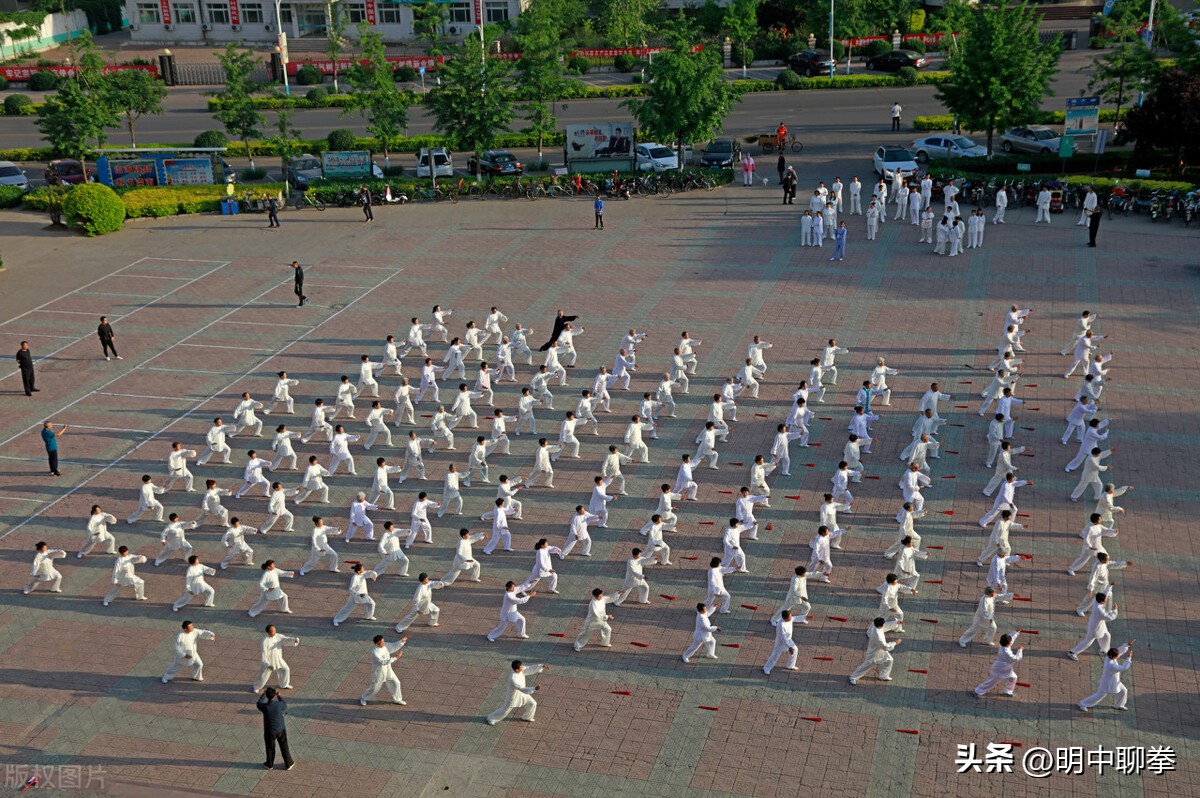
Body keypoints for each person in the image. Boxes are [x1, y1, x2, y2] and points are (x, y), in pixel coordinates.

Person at [487, 660, 548, 724]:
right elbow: (521, 688)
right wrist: (534, 688)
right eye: (521, 666)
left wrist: (541, 666)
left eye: (521, 665)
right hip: (514, 696)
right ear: (516, 670)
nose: (522, 667)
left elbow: (529, 668)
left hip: (523, 693)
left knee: (533, 704)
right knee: (505, 710)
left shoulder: (520, 670)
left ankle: (527, 717)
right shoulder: (513, 678)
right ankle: (491, 718)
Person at [1079, 642, 1134, 712]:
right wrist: (1129, 658)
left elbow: (1118, 651)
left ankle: (1119, 705)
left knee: (1124, 691)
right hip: (1106, 683)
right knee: (1098, 696)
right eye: (1117, 655)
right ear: (1114, 656)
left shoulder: (1109, 657)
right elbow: (1124, 668)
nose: (1118, 655)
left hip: (1114, 681)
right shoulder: (1111, 665)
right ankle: (1082, 703)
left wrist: (1127, 645)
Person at [849, 617, 901, 685]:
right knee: (867, 664)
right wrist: (895, 642)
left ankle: (883, 676)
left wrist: (895, 623)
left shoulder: (875, 627)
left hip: (880, 650)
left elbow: (885, 626)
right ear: (881, 625)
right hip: (874, 652)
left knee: (889, 660)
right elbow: (884, 646)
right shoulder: (878, 636)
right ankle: (853, 677)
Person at [361, 634, 408, 706]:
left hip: (388, 670)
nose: (383, 643)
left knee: (396, 683)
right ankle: (364, 698)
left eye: (383, 641)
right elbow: (383, 662)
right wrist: (396, 658)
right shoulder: (375, 652)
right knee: (374, 688)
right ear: (377, 643)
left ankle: (397, 699)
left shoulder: (385, 645)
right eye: (381, 642)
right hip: (379, 672)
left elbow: (393, 646)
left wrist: (402, 641)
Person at [973, 631, 1023, 697]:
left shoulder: (1003, 646)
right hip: (1000, 669)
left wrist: (1017, 632)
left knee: (1013, 677)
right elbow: (1016, 658)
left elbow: (1011, 638)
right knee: (991, 682)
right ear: (1008, 643)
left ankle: (1008, 691)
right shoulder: (1006, 652)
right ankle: (977, 691)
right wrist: (1020, 650)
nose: (1011, 642)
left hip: (1006, 668)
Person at [257, 687, 295, 770]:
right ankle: (289, 763)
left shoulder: (265, 707)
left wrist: (263, 694)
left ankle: (269, 764)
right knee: (284, 746)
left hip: (269, 731)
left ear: (267, 696)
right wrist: (279, 696)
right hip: (281, 729)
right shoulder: (279, 704)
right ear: (275, 695)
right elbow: (284, 704)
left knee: (270, 748)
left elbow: (258, 703)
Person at [254, 625, 299, 693]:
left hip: (278, 659)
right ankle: (256, 686)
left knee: (285, 669)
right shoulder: (265, 641)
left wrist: (293, 640)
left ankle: (284, 684)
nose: (274, 632)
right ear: (268, 632)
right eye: (272, 631)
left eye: (275, 630)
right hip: (269, 662)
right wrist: (267, 664)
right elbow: (264, 655)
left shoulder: (277, 636)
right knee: (263, 676)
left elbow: (285, 639)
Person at [763, 610, 799, 675]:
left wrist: (805, 617)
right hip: (781, 642)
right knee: (775, 655)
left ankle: (790, 665)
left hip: (788, 640)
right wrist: (789, 647)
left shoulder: (789, 618)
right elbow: (783, 637)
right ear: (785, 618)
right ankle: (766, 668)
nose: (791, 618)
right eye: (789, 617)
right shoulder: (781, 625)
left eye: (791, 616)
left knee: (795, 650)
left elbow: (795, 618)